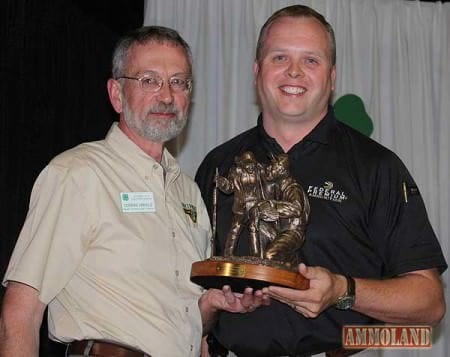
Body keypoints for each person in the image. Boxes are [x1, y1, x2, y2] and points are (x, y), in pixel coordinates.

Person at [0, 26, 269, 357]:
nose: (167, 96)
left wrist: (212, 304)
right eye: (150, 80)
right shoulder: (78, 175)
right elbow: (20, 311)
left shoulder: (188, 192)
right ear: (116, 94)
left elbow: (174, 322)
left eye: (178, 82)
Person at [195, 5, 447, 356]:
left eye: (311, 60)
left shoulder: (377, 167)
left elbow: (430, 302)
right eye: (279, 57)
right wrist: (205, 324)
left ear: (332, 77)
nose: (294, 71)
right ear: (257, 71)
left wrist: (342, 291)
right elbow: (191, 286)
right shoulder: (217, 165)